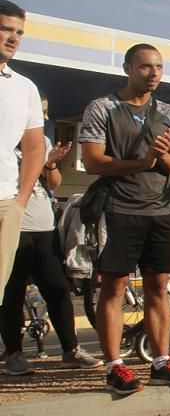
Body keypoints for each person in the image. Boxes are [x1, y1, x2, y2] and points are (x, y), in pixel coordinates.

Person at [79, 43, 170, 395]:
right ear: (128, 68)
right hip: (118, 208)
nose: (154, 73)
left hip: (160, 210)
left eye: (159, 67)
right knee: (113, 288)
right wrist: (141, 163)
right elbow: (94, 162)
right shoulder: (102, 108)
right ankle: (115, 367)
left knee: (158, 287)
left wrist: (160, 158)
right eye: (146, 67)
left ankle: (161, 362)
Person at [2, 101, 100, 374]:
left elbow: (53, 183)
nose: (44, 116)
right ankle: (13, 354)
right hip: (14, 226)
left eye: (45, 112)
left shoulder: (42, 140)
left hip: (44, 227)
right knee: (13, 292)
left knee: (57, 289)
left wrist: (51, 164)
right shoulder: (6, 137)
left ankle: (71, 350)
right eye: (39, 111)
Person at [0, 0, 46, 310]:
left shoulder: (24, 87)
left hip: (6, 203)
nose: (13, 37)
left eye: (19, 32)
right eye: (5, 29)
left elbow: (34, 147)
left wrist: (21, 199)